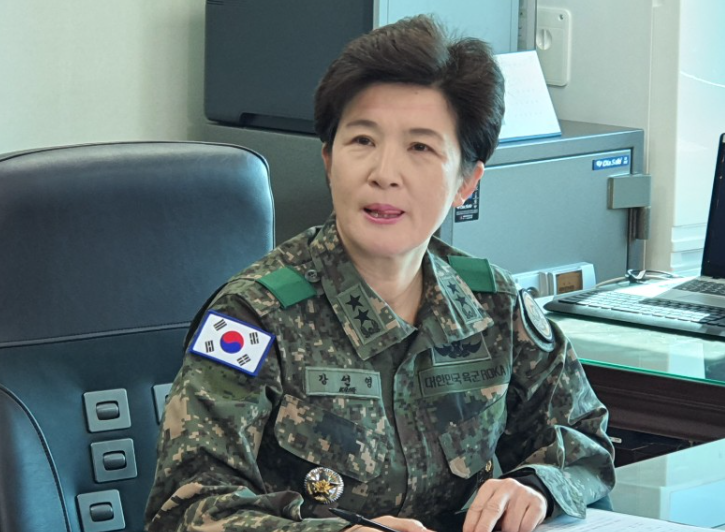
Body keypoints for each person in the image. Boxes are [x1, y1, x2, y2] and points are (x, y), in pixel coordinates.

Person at [144, 14, 614, 532]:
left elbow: (585, 438)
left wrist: (536, 485)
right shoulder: (251, 319)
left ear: (466, 182)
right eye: (363, 141)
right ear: (329, 160)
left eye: (420, 148)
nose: (384, 174)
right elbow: (184, 512)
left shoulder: (495, 306)